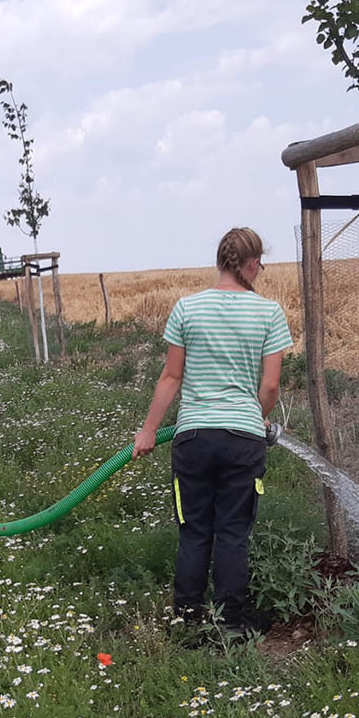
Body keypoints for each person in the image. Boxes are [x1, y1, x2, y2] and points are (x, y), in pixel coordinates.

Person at [133, 227, 293, 633]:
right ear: (252, 264)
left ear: (221, 261)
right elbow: (270, 385)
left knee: (194, 532)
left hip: (193, 439)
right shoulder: (269, 312)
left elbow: (171, 377)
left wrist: (148, 431)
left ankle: (188, 621)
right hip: (243, 441)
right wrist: (257, 415)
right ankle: (231, 624)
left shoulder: (186, 308)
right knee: (233, 533)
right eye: (261, 264)